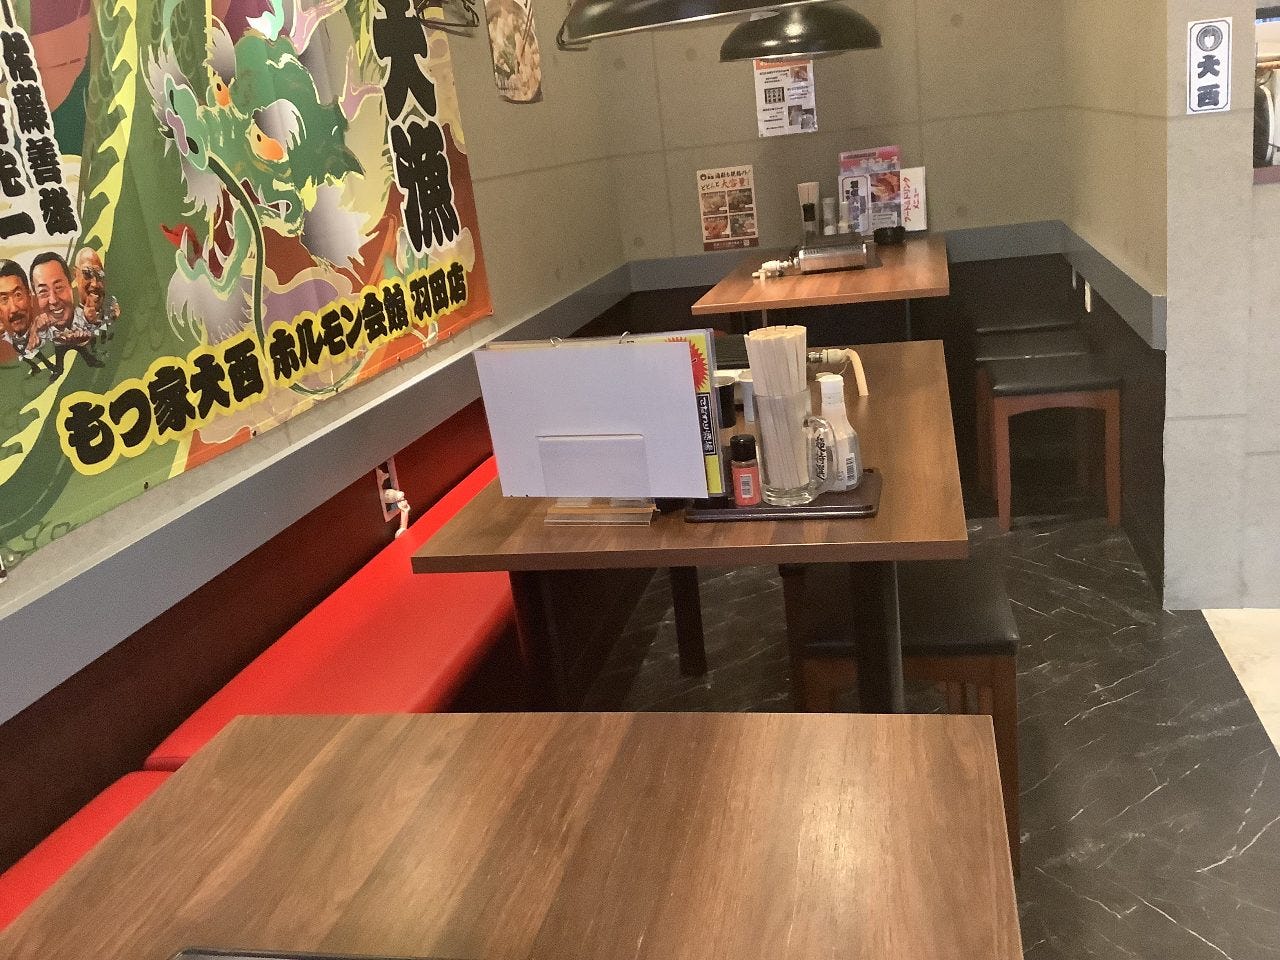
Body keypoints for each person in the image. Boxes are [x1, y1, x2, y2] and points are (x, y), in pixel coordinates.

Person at [29, 251, 102, 380]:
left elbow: (98, 327)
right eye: (43, 292)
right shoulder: (42, 323)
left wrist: (87, 334)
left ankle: (91, 361)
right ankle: (58, 371)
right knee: (60, 360)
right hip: (59, 345)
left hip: (79, 342)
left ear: (70, 284)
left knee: (85, 352)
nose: (53, 300)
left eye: (59, 287)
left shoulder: (83, 314)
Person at [0, 259, 54, 376]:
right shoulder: (6, 339)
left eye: (18, 295)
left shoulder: (48, 324)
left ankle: (50, 366)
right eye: (4, 299)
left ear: (29, 296)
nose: (14, 308)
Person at [73, 247, 119, 347]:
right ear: (76, 275)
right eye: (87, 274)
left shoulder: (111, 307)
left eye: (99, 275)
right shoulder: (68, 319)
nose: (94, 283)